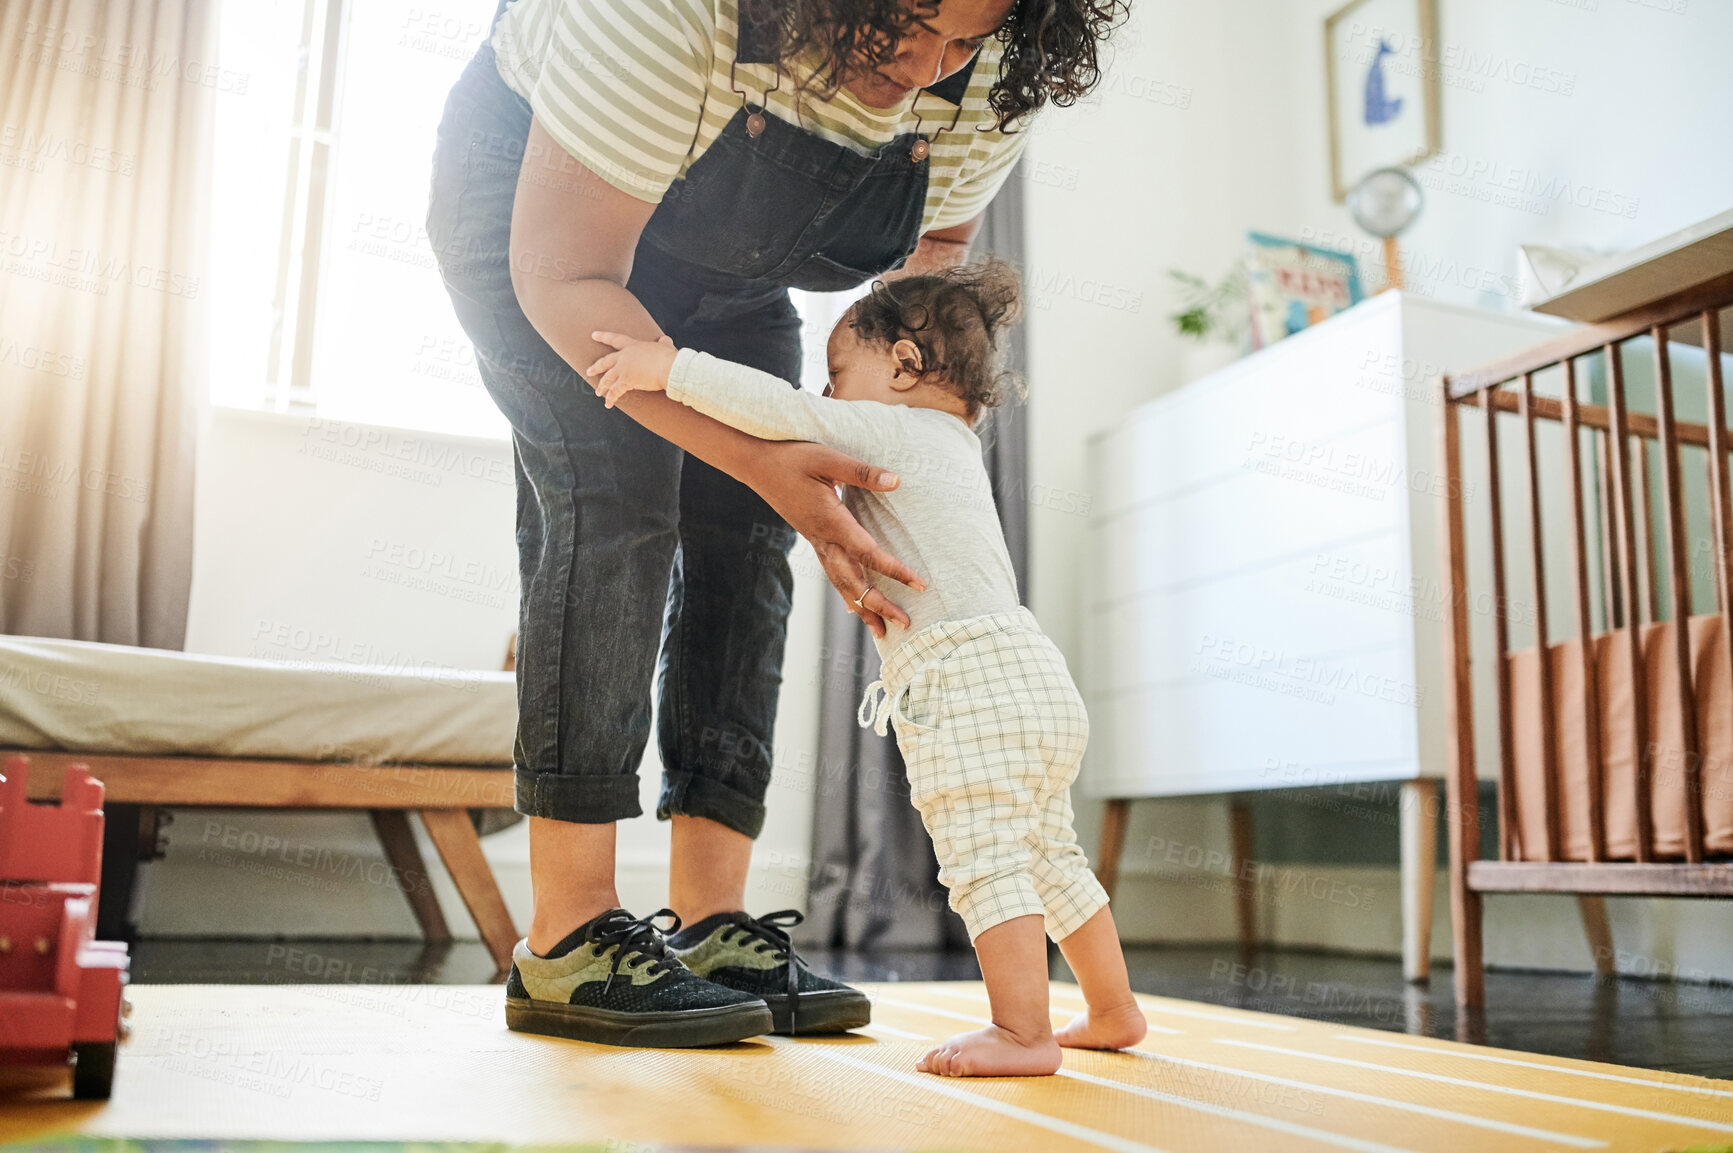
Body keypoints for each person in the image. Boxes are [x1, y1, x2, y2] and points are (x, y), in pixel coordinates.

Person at [426, 0, 1124, 1049]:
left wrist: (856, 464)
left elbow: (919, 284)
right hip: (544, 222)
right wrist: (767, 460)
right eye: (911, 25)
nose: (932, 68)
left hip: (720, 268)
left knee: (751, 541)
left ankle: (713, 924)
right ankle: (565, 938)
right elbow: (566, 274)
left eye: (964, 41)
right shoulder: (661, 16)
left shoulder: (989, 76)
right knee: (614, 500)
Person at [582, 260, 1149, 1076]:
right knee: (1048, 854)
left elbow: (780, 411)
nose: (829, 395)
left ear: (903, 366)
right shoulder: (949, 442)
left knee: (984, 856)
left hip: (968, 680)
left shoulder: (895, 428)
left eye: (839, 374)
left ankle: (1023, 1030)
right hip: (1032, 672)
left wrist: (667, 366)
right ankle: (1111, 1007)